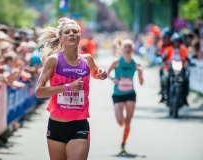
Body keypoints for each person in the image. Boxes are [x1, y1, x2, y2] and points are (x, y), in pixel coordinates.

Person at [35, 17, 107, 160]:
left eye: (75, 31)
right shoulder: (54, 60)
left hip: (79, 124)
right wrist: (68, 87)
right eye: (67, 32)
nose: (72, 34)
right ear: (61, 38)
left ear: (80, 36)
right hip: (56, 125)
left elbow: (95, 72)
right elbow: (39, 91)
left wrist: (101, 74)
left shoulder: (87, 60)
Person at [107, 39, 143, 153]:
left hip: (130, 94)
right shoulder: (116, 61)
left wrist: (141, 74)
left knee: (128, 121)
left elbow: (141, 83)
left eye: (129, 47)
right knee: (120, 121)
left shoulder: (136, 63)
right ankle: (124, 129)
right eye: (125, 47)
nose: (127, 49)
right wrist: (113, 79)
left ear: (132, 49)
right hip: (118, 94)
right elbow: (107, 73)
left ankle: (123, 144)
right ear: (122, 49)